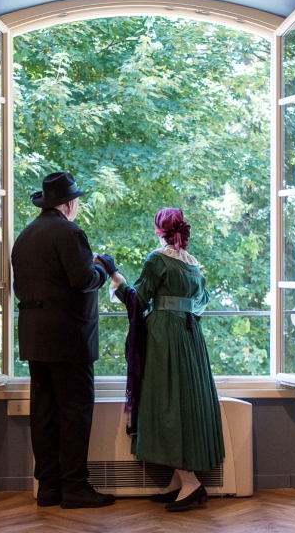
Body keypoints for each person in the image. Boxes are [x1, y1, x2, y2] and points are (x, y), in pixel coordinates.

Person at [107, 208, 225, 512]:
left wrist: (115, 276)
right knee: (182, 401)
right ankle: (178, 482)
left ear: (160, 230)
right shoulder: (193, 264)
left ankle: (192, 484)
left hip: (165, 337)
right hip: (190, 336)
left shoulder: (157, 259)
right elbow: (202, 302)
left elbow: (139, 299)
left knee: (165, 402)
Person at [10, 171, 114, 509]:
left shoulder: (25, 235)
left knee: (44, 411)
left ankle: (49, 487)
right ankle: (75, 487)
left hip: (34, 336)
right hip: (69, 337)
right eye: (77, 201)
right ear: (69, 204)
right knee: (75, 412)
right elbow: (83, 279)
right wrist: (101, 267)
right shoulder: (69, 232)